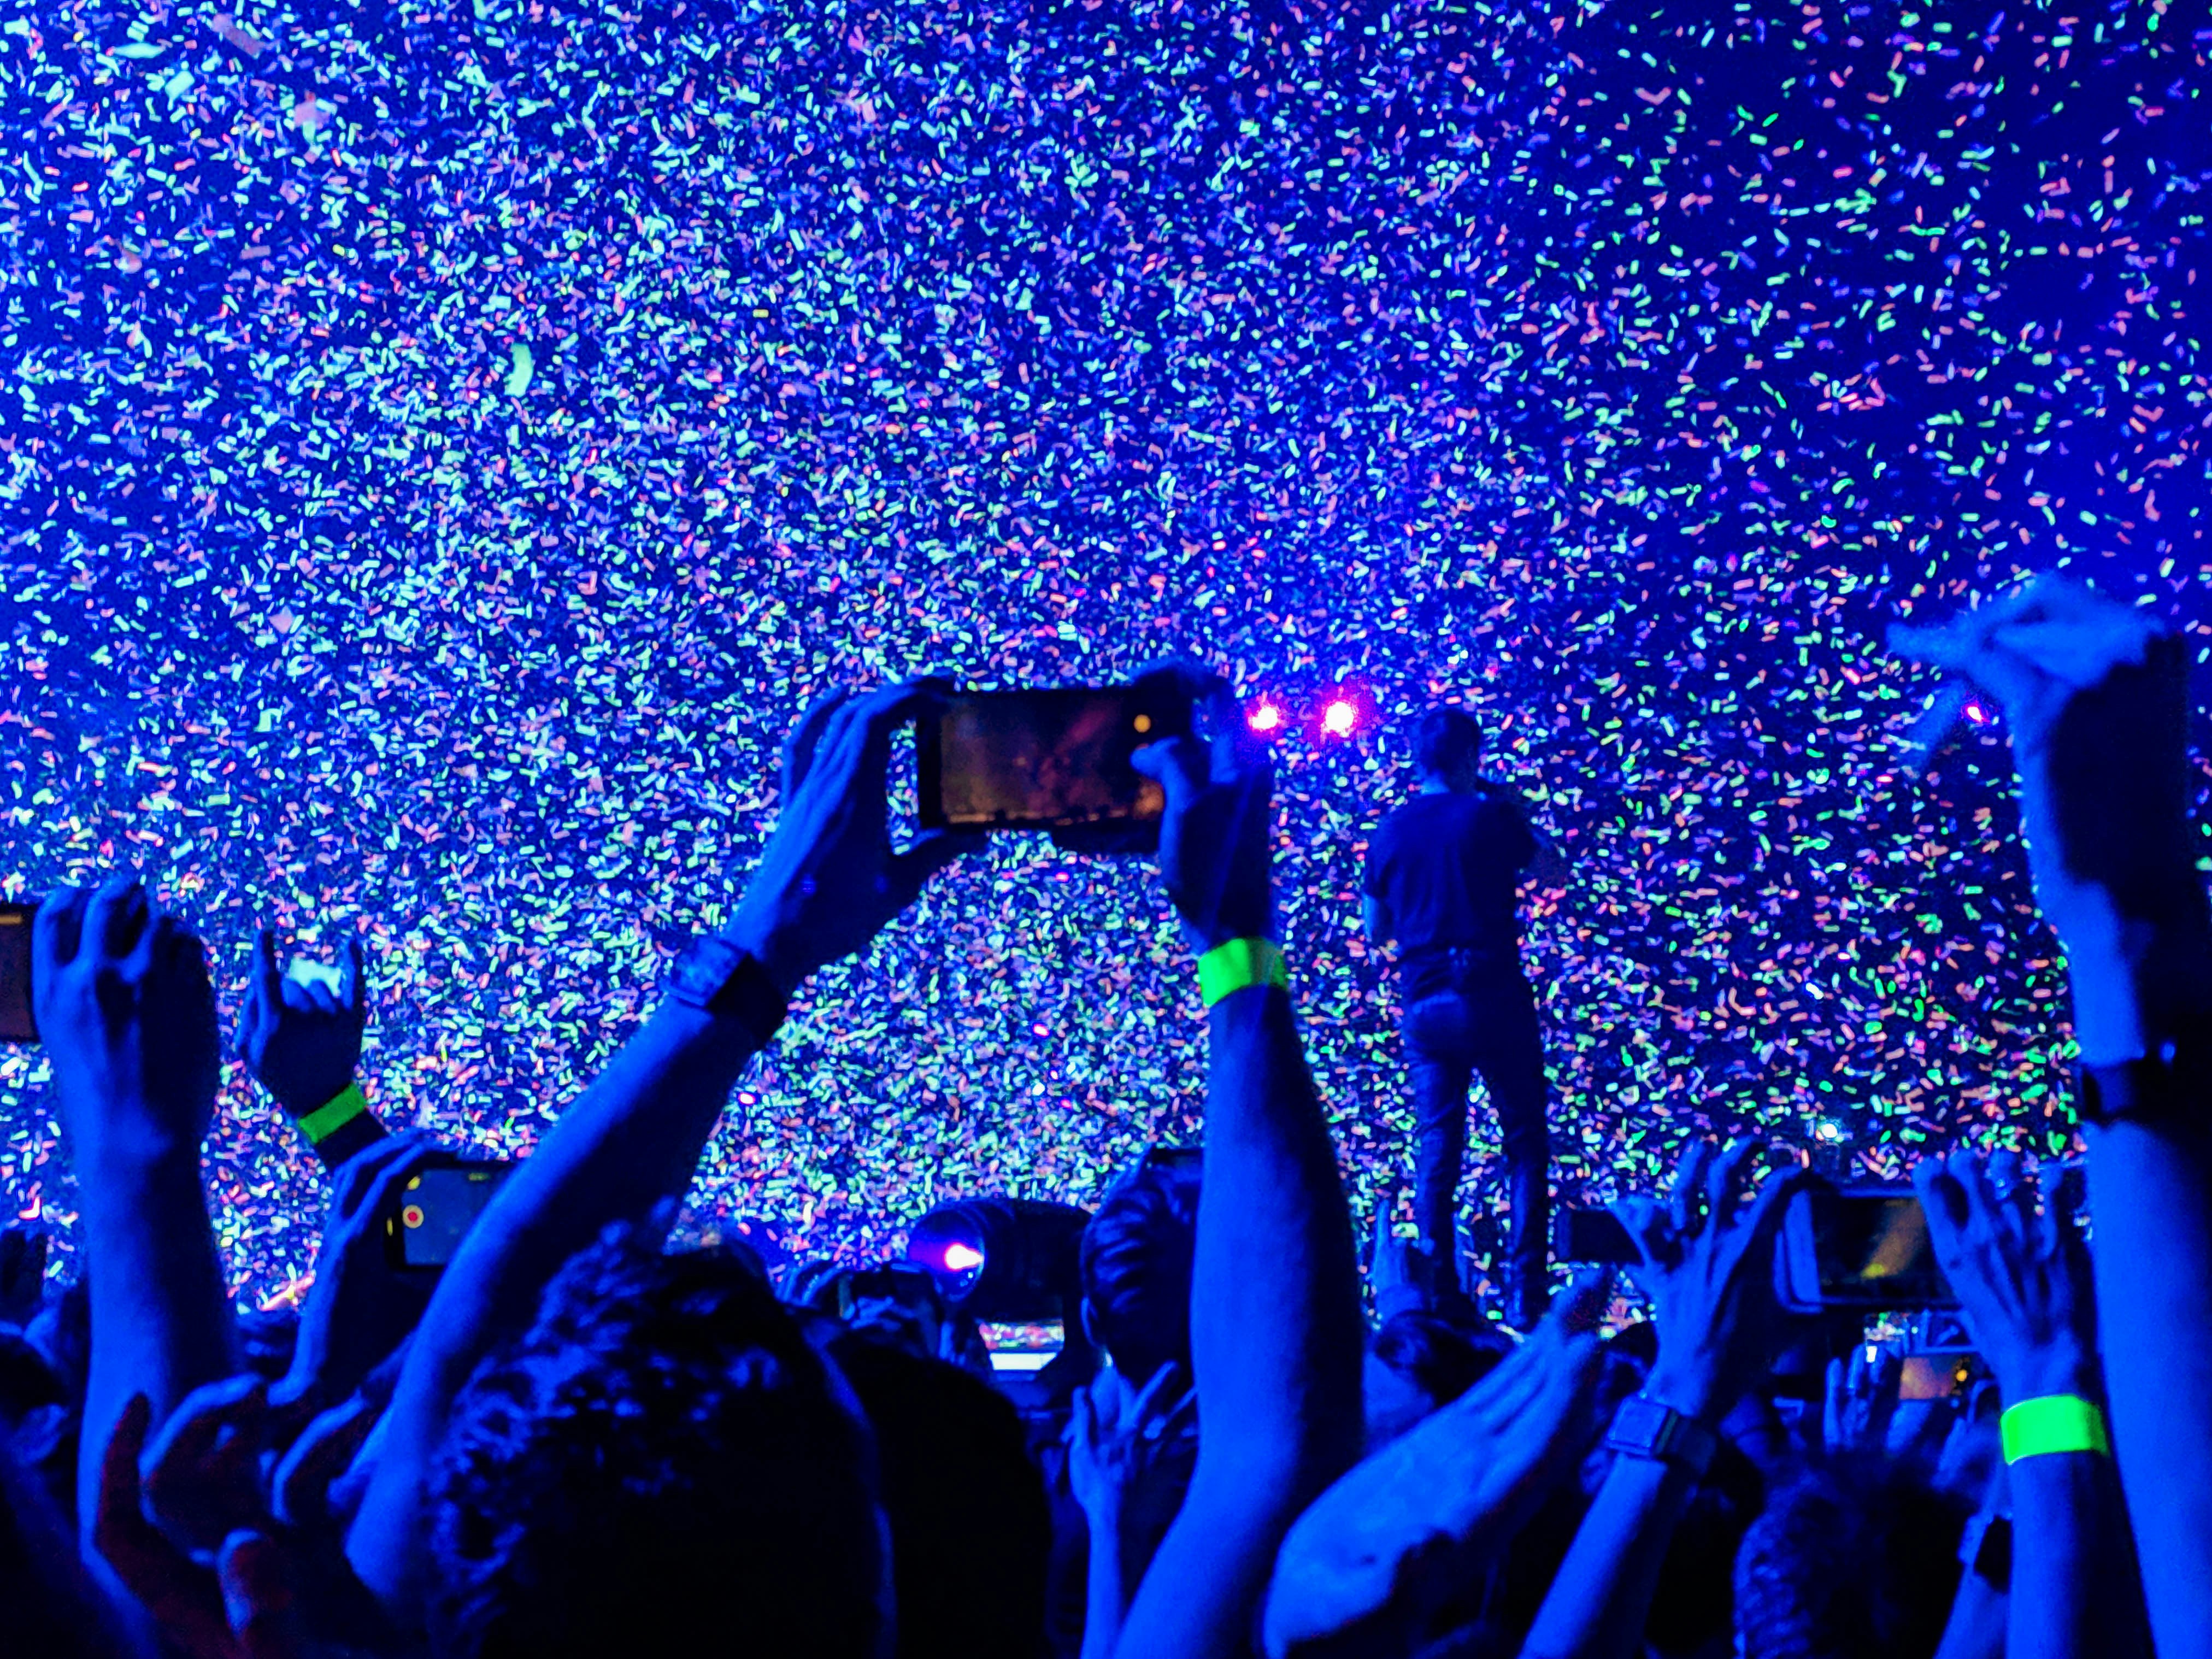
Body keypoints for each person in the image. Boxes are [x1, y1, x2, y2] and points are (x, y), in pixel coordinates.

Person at [1363, 704, 1567, 1326]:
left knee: (1438, 1149)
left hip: (1424, 999)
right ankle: (1525, 1292)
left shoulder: (1390, 831)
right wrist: (1512, 809)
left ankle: (1441, 1294)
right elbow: (1553, 869)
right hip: (1492, 989)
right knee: (1525, 1143)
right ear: (1472, 756)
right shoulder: (1487, 815)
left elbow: (1376, 930)